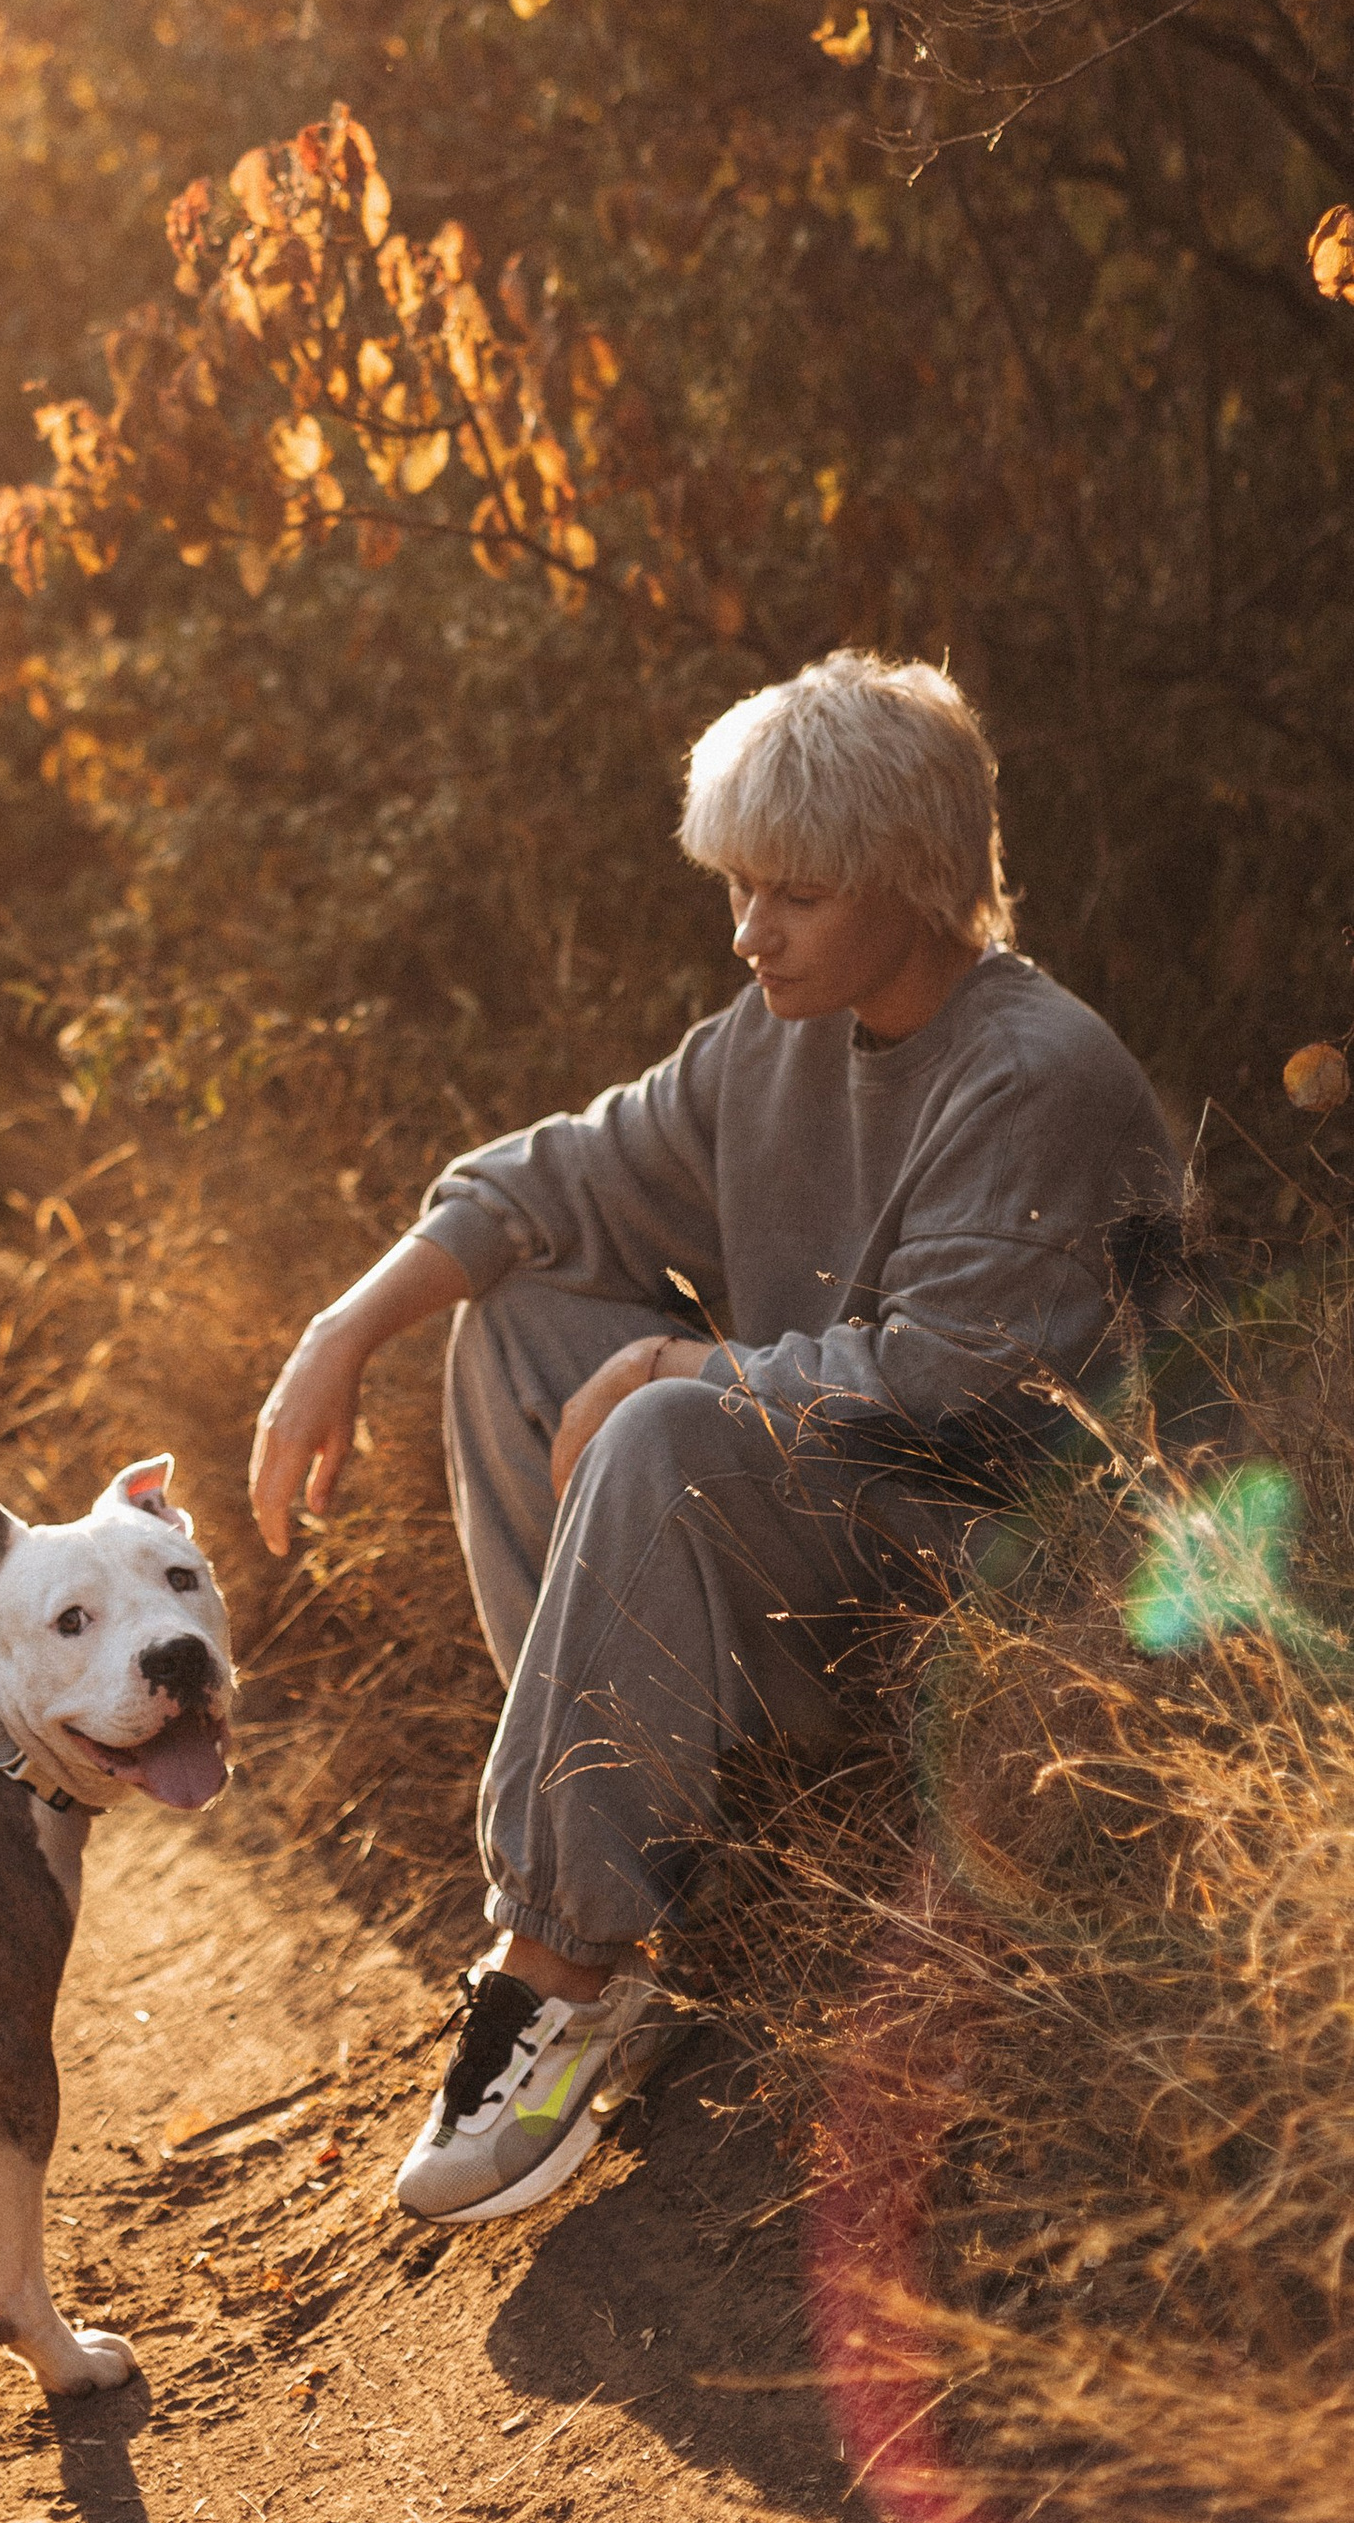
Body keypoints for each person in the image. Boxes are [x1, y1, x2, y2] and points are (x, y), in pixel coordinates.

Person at [248, 651, 1180, 2229]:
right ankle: (643, 1822)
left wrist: (689, 1365)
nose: (749, 932)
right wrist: (341, 1336)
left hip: (989, 1623)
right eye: (739, 888)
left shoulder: (1037, 1073)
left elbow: (955, 1387)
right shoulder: (773, 1036)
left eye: (794, 894)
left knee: (673, 1421)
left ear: (912, 876)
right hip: (828, 1552)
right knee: (523, 1319)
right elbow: (554, 1183)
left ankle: (567, 1963)